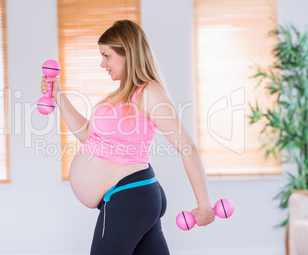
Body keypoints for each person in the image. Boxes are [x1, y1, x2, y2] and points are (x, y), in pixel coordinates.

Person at [41, 20, 215, 255]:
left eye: (106, 55)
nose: (102, 64)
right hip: (133, 197)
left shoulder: (150, 93)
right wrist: (57, 92)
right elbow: (87, 135)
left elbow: (187, 147)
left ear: (127, 53)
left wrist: (204, 204)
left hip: (129, 197)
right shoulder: (122, 95)